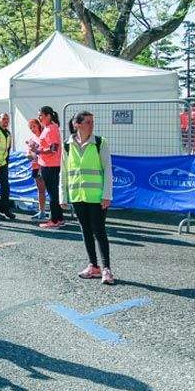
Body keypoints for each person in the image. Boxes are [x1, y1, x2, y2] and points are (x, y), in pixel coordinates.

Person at [61, 111, 115, 285]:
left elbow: (108, 170)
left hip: (96, 196)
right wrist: (63, 195)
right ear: (77, 124)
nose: (92, 125)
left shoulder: (100, 143)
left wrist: (107, 194)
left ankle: (106, 269)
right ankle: (93, 266)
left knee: (99, 231)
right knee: (85, 231)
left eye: (92, 122)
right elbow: (64, 171)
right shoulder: (67, 145)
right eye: (88, 122)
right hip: (78, 195)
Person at [37, 106, 65, 228]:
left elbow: (54, 148)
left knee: (53, 193)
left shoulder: (51, 129)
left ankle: (54, 220)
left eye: (41, 115)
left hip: (50, 166)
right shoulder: (49, 128)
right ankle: (59, 218)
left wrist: (39, 151)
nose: (39, 118)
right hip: (49, 165)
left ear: (48, 116)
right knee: (53, 192)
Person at [26, 118, 47, 220]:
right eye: (30, 127)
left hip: (46, 166)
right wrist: (30, 153)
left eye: (34, 126)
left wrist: (37, 151)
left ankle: (56, 214)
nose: (32, 129)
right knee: (41, 190)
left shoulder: (44, 136)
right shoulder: (32, 139)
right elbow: (29, 154)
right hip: (35, 166)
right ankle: (42, 211)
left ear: (39, 125)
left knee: (51, 190)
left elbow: (49, 151)